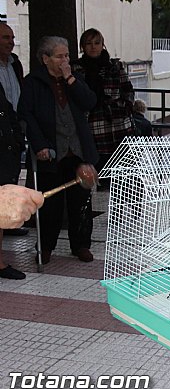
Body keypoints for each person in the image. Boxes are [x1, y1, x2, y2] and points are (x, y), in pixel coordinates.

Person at [18, 36, 98, 265]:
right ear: (46, 59)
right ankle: (45, 246)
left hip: (78, 150)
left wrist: (70, 78)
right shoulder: (33, 82)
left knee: (81, 201)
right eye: (60, 56)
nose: (65, 60)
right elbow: (26, 115)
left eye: (67, 56)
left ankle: (81, 244)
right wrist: (39, 144)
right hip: (50, 151)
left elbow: (90, 102)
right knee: (50, 203)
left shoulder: (74, 78)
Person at [71, 28, 135, 175]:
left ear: (102, 45)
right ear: (83, 46)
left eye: (97, 43)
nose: (93, 47)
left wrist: (125, 107)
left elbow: (128, 90)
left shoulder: (114, 66)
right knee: (97, 170)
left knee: (122, 171)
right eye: (89, 43)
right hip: (92, 124)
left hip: (118, 124)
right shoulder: (76, 68)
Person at [0, 22, 27, 279]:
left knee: (9, 184)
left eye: (12, 37)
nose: (11, 42)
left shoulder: (14, 64)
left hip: (13, 128)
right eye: (6, 37)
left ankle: (7, 222)